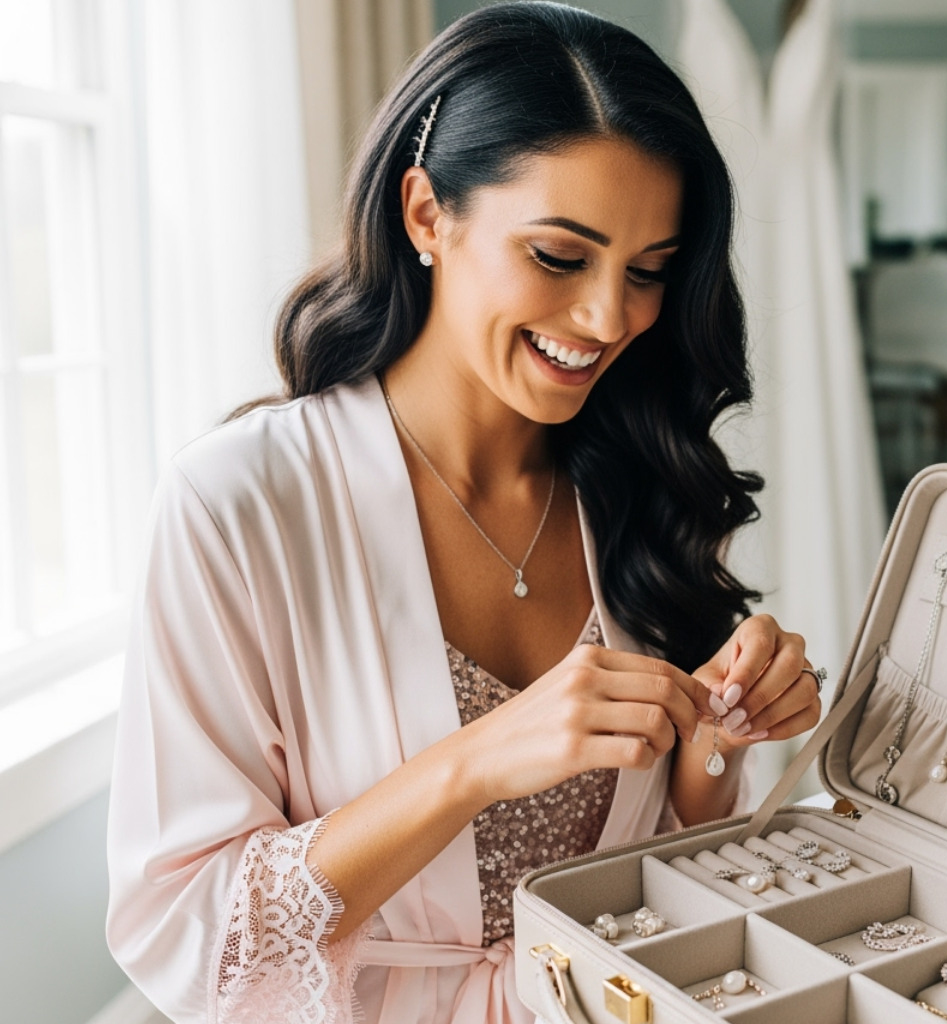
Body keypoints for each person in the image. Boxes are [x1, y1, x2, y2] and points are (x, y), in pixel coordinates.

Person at [104, 5, 824, 1022]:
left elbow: (660, 857)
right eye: (561, 257)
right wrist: (476, 760)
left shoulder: (634, 484)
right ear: (426, 214)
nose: (611, 317)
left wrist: (719, 735)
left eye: (650, 270)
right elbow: (183, 929)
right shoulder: (241, 504)